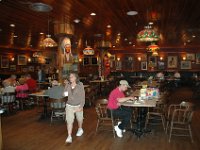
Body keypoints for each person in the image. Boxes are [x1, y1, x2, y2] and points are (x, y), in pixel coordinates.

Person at [64, 72, 85, 143]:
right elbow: (65, 94)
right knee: (69, 121)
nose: (70, 78)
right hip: (69, 105)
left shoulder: (80, 85)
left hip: (78, 105)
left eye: (72, 77)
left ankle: (80, 128)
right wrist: (66, 87)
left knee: (79, 119)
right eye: (69, 77)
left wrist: (81, 106)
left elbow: (83, 96)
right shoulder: (68, 85)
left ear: (76, 77)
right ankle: (69, 136)